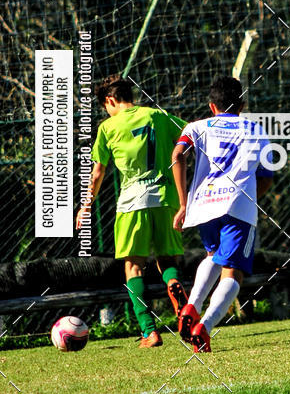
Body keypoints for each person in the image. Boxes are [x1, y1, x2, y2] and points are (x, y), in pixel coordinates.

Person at [75, 75, 188, 348]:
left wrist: (86, 206)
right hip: (165, 199)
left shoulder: (108, 127)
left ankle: (149, 331)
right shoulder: (159, 115)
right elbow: (187, 139)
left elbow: (98, 174)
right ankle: (179, 300)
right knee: (167, 260)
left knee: (133, 266)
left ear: (110, 101)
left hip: (132, 203)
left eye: (106, 107)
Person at [172, 75, 273, 353]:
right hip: (238, 205)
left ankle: (191, 306)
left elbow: (178, 156)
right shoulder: (255, 129)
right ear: (242, 105)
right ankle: (203, 328)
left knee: (212, 256)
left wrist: (184, 203)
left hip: (204, 204)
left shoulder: (196, 127)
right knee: (233, 272)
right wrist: (250, 199)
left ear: (212, 106)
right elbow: (267, 176)